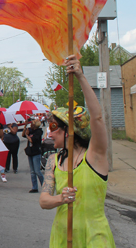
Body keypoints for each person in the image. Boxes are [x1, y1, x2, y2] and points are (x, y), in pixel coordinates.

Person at [40, 56, 115, 247]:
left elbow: (97, 118)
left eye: (55, 126)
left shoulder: (95, 156)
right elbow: (44, 201)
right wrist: (60, 198)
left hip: (94, 238)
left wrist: (80, 76)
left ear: (70, 131)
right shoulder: (53, 161)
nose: (50, 131)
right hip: (62, 238)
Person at [23, 117, 44, 192]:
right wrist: (25, 126)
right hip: (30, 152)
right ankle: (34, 187)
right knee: (32, 172)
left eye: (32, 124)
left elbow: (32, 140)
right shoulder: (30, 131)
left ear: (35, 125)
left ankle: (44, 186)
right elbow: (23, 135)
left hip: (36, 152)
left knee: (37, 171)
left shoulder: (39, 132)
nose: (31, 125)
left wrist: (28, 136)